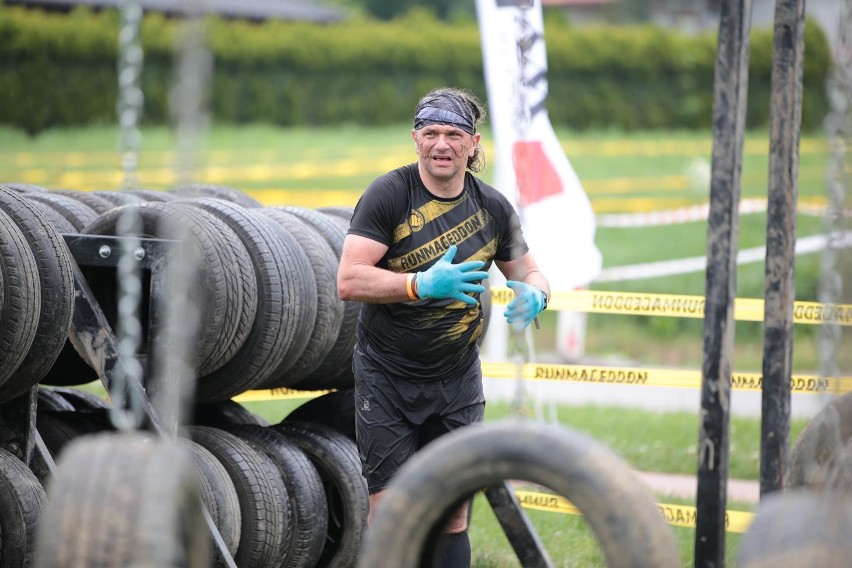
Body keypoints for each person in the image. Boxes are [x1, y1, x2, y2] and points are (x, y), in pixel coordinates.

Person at [337, 87, 550, 567]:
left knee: (454, 512)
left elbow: (531, 272)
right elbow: (348, 279)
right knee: (390, 512)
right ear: (415, 139)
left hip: (456, 378)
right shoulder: (388, 194)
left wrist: (537, 294)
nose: (441, 144)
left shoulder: (492, 207)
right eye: (430, 133)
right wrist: (419, 285)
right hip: (386, 377)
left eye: (453, 134)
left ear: (473, 144)